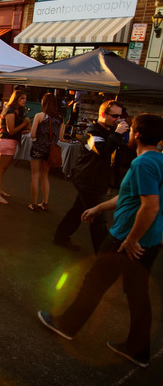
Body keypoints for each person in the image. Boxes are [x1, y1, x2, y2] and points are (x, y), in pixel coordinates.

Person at [37, 114, 163, 368]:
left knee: (94, 283)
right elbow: (130, 197)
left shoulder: (143, 164)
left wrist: (130, 239)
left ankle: (67, 326)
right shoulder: (158, 161)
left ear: (136, 135)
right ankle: (137, 350)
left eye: (129, 130)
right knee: (137, 294)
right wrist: (98, 208)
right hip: (151, 240)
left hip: (127, 238)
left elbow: (150, 207)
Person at [54, 99, 129, 252]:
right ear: (103, 114)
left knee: (77, 210)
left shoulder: (109, 132)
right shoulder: (91, 132)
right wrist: (117, 133)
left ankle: (60, 236)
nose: (118, 120)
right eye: (115, 116)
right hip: (87, 179)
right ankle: (104, 256)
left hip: (96, 178)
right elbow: (102, 151)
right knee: (98, 218)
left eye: (120, 117)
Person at [0, 90, 30, 204]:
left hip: (10, 141)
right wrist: (24, 124)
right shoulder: (10, 111)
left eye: (25, 98)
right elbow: (11, 130)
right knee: (1, 168)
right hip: (6, 141)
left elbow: (15, 130)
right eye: (22, 98)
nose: (24, 100)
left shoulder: (17, 111)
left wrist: (23, 129)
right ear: (16, 99)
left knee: (3, 168)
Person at [28, 93, 64, 212]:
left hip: (38, 148)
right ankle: (45, 203)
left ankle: (33, 203)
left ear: (44, 103)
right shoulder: (60, 118)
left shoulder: (39, 116)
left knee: (35, 176)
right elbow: (60, 137)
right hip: (51, 150)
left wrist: (38, 139)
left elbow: (32, 134)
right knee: (45, 176)